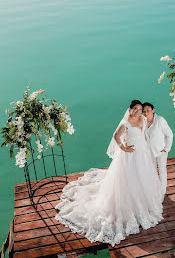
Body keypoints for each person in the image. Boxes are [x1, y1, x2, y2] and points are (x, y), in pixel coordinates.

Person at [55, 100, 163, 247]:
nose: (138, 111)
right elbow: (116, 136)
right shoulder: (126, 122)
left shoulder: (142, 119)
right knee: (128, 181)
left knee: (142, 179)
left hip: (142, 155)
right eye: (135, 109)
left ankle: (145, 204)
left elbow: (144, 135)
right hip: (130, 156)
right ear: (130, 110)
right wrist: (123, 147)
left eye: (140, 109)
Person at [143, 102, 173, 196]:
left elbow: (170, 134)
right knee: (152, 170)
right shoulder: (143, 121)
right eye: (144, 111)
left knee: (162, 170)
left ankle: (162, 191)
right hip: (149, 152)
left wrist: (166, 148)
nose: (146, 113)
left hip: (160, 151)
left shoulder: (160, 120)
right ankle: (154, 188)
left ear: (153, 110)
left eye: (148, 110)